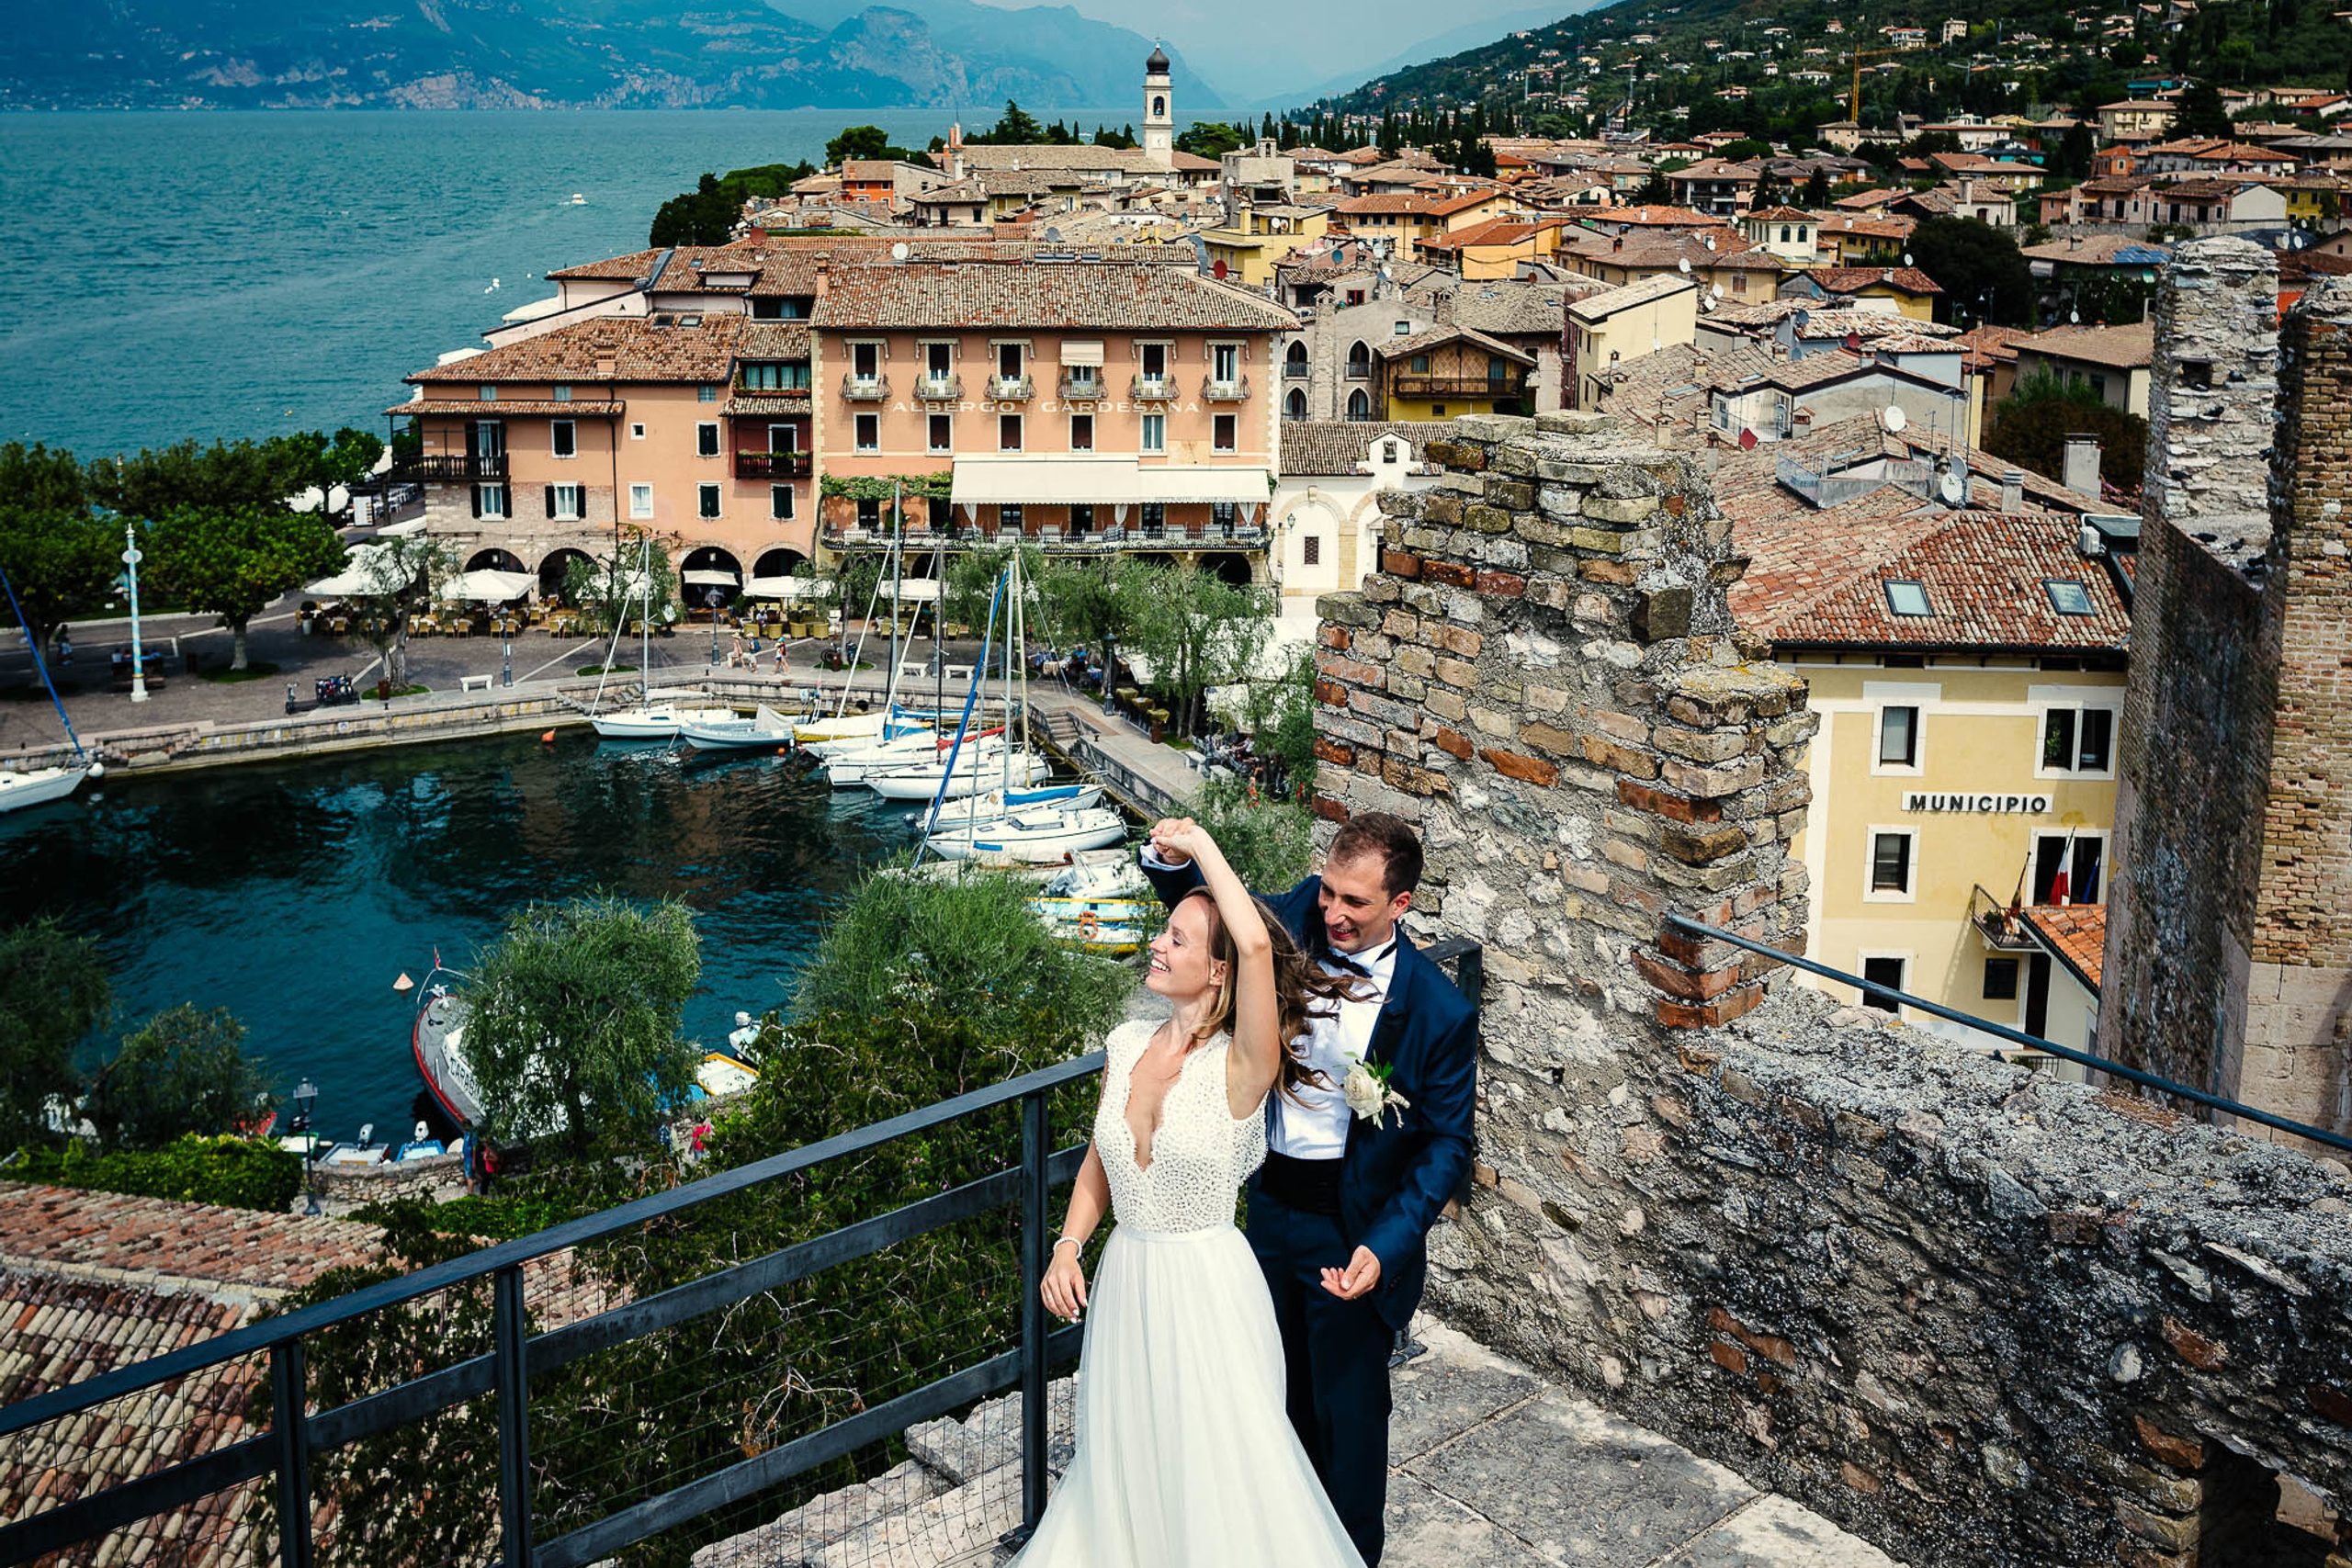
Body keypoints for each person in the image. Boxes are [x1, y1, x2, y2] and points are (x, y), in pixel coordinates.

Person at [1019, 819, 1369, 1567]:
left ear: (1216, 972)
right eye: (1163, 931)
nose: (1158, 943)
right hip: (1127, 1285)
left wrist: (1202, 846)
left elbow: (1253, 944)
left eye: (1179, 938)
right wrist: (1067, 1245)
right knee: (1129, 1461)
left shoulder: (1243, 1062)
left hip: (1207, 1289)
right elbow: (1098, 1165)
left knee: (1221, 1468)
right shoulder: (1122, 1043)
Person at [1139, 811, 1476, 1566]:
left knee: (1348, 1418)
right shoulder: (1295, 914)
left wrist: (1385, 1248)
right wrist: (1167, 853)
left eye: (1355, 902)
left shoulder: (1437, 1009)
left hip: (1351, 1229)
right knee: (1266, 1397)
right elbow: (1218, 908)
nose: (1333, 913)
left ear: (1402, 903)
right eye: (1328, 892)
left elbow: (1448, 1146)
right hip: (1262, 1214)